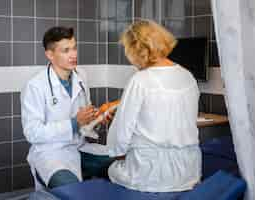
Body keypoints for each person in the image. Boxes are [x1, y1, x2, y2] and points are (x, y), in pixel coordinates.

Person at [107, 20, 202, 192]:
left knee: (112, 168)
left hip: (149, 174)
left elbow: (121, 133)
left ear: (136, 49)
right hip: (189, 172)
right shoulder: (188, 76)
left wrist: (117, 152)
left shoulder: (140, 80)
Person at [21, 26, 113, 190]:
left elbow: (84, 123)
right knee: (71, 189)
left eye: (74, 48)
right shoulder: (35, 86)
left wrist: (96, 119)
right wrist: (74, 123)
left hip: (80, 147)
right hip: (50, 153)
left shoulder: (81, 76)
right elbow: (32, 132)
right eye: (66, 50)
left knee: (120, 164)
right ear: (50, 55)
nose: (74, 54)